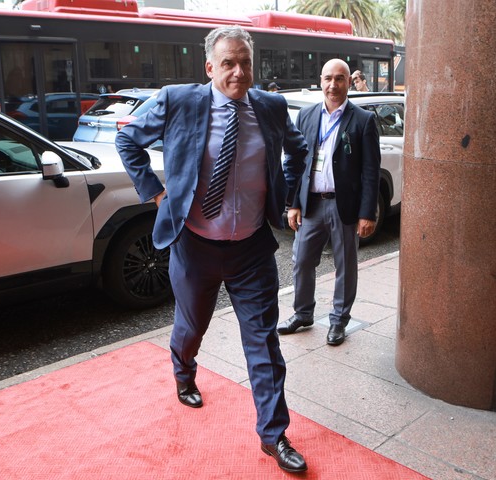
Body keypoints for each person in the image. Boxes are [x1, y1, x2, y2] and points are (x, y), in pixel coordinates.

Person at [115, 25, 309, 473]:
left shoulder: (272, 107)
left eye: (245, 63)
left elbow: (297, 153)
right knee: (192, 326)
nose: (238, 72)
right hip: (195, 245)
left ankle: (273, 434)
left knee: (263, 343)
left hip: (252, 250)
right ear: (210, 67)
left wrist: (287, 196)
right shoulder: (178, 100)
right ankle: (184, 371)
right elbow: (128, 139)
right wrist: (157, 193)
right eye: (228, 63)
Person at [278, 59, 380, 347]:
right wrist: (293, 204)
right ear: (320, 81)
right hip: (311, 203)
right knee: (300, 261)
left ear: (348, 82)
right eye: (327, 79)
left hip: (343, 205)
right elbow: (296, 163)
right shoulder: (307, 116)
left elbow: (370, 171)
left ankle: (338, 321)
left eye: (339, 79)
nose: (332, 85)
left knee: (345, 266)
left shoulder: (363, 120)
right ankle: (303, 313)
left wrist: (367, 212)